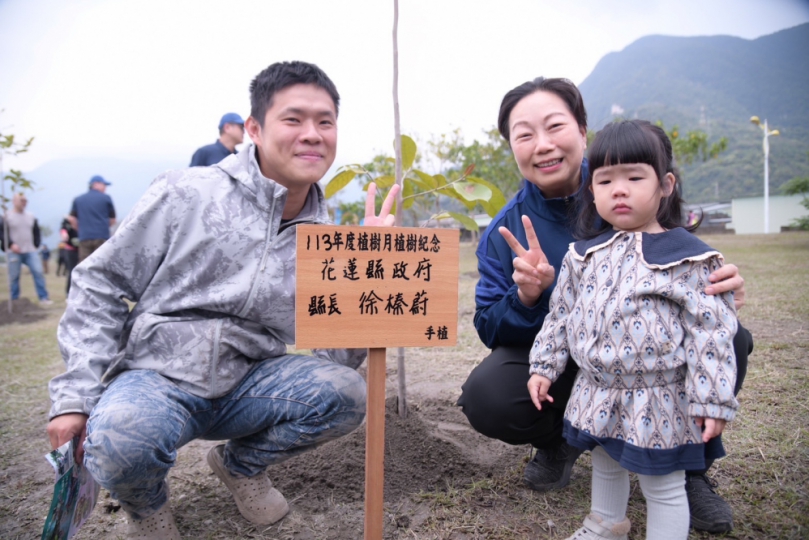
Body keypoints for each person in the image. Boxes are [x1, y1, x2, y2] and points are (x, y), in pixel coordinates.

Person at [46, 60, 398, 540]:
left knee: (346, 394)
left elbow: (336, 357)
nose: (312, 134)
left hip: (249, 383)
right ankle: (147, 507)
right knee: (122, 437)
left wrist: (364, 273)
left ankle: (240, 465)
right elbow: (99, 283)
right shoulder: (185, 193)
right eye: (293, 119)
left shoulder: (325, 238)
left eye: (325, 122)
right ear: (254, 128)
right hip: (158, 378)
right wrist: (74, 396)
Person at [456, 77, 752, 534]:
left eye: (555, 126)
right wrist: (528, 297)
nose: (543, 145)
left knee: (730, 336)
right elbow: (491, 325)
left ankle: (691, 465)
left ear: (582, 130)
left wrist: (717, 286)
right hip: (584, 365)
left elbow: (683, 256)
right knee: (488, 392)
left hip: (654, 365)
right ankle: (562, 444)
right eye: (525, 134)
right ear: (511, 147)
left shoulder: (634, 170)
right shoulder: (505, 229)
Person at [528, 120, 739, 539]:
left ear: (665, 185)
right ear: (593, 190)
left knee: (663, 484)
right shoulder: (581, 256)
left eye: (634, 177)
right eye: (605, 180)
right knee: (605, 461)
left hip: (660, 395)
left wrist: (712, 398)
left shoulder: (690, 259)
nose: (618, 189)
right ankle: (606, 523)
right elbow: (561, 314)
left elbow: (711, 331)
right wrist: (543, 366)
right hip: (597, 389)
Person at [2, 192, 52, 305]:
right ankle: (14, 300)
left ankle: (43, 297)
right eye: (22, 200)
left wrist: (36, 244)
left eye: (25, 201)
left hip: (30, 250)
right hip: (13, 251)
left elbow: (36, 231)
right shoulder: (6, 216)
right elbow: (2, 234)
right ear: (14, 201)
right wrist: (10, 244)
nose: (24, 203)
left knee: (38, 272)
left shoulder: (31, 216)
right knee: (14, 276)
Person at [69, 175, 116, 262]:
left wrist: (79, 229)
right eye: (104, 185)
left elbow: (72, 219)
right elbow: (113, 220)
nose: (105, 188)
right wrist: (103, 226)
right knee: (101, 263)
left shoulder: (78, 199)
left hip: (84, 237)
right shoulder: (106, 198)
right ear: (96, 184)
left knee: (84, 264)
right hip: (102, 237)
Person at [59, 218, 79, 294]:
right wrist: (64, 233)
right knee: (72, 271)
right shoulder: (67, 221)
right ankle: (69, 293)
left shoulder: (85, 217)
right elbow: (63, 229)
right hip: (71, 250)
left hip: (83, 248)